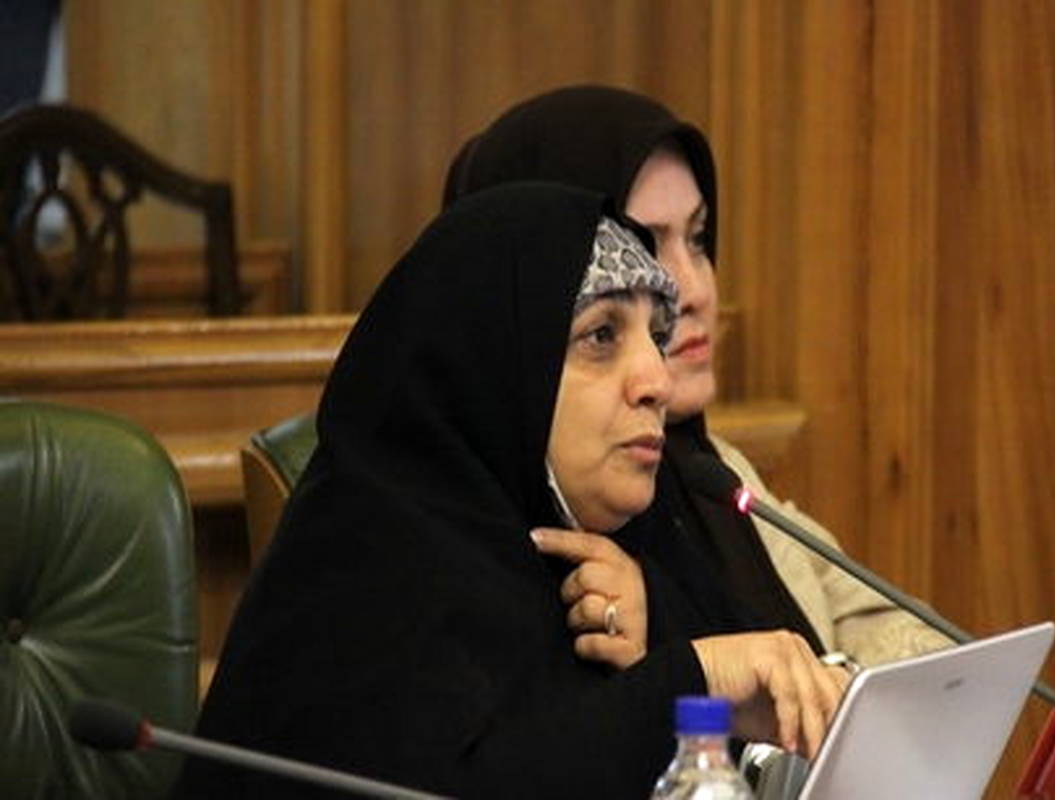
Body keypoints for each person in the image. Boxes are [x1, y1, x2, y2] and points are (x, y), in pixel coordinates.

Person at [174, 183, 843, 799]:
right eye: (601, 336)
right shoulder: (366, 567)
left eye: (658, 337)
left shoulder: (610, 557)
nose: (657, 381)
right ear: (496, 366)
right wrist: (694, 681)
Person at [444, 86, 951, 671]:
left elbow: (900, 634)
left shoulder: (715, 471)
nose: (695, 290)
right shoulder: (501, 536)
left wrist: (833, 687)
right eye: (644, 248)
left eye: (698, 239)